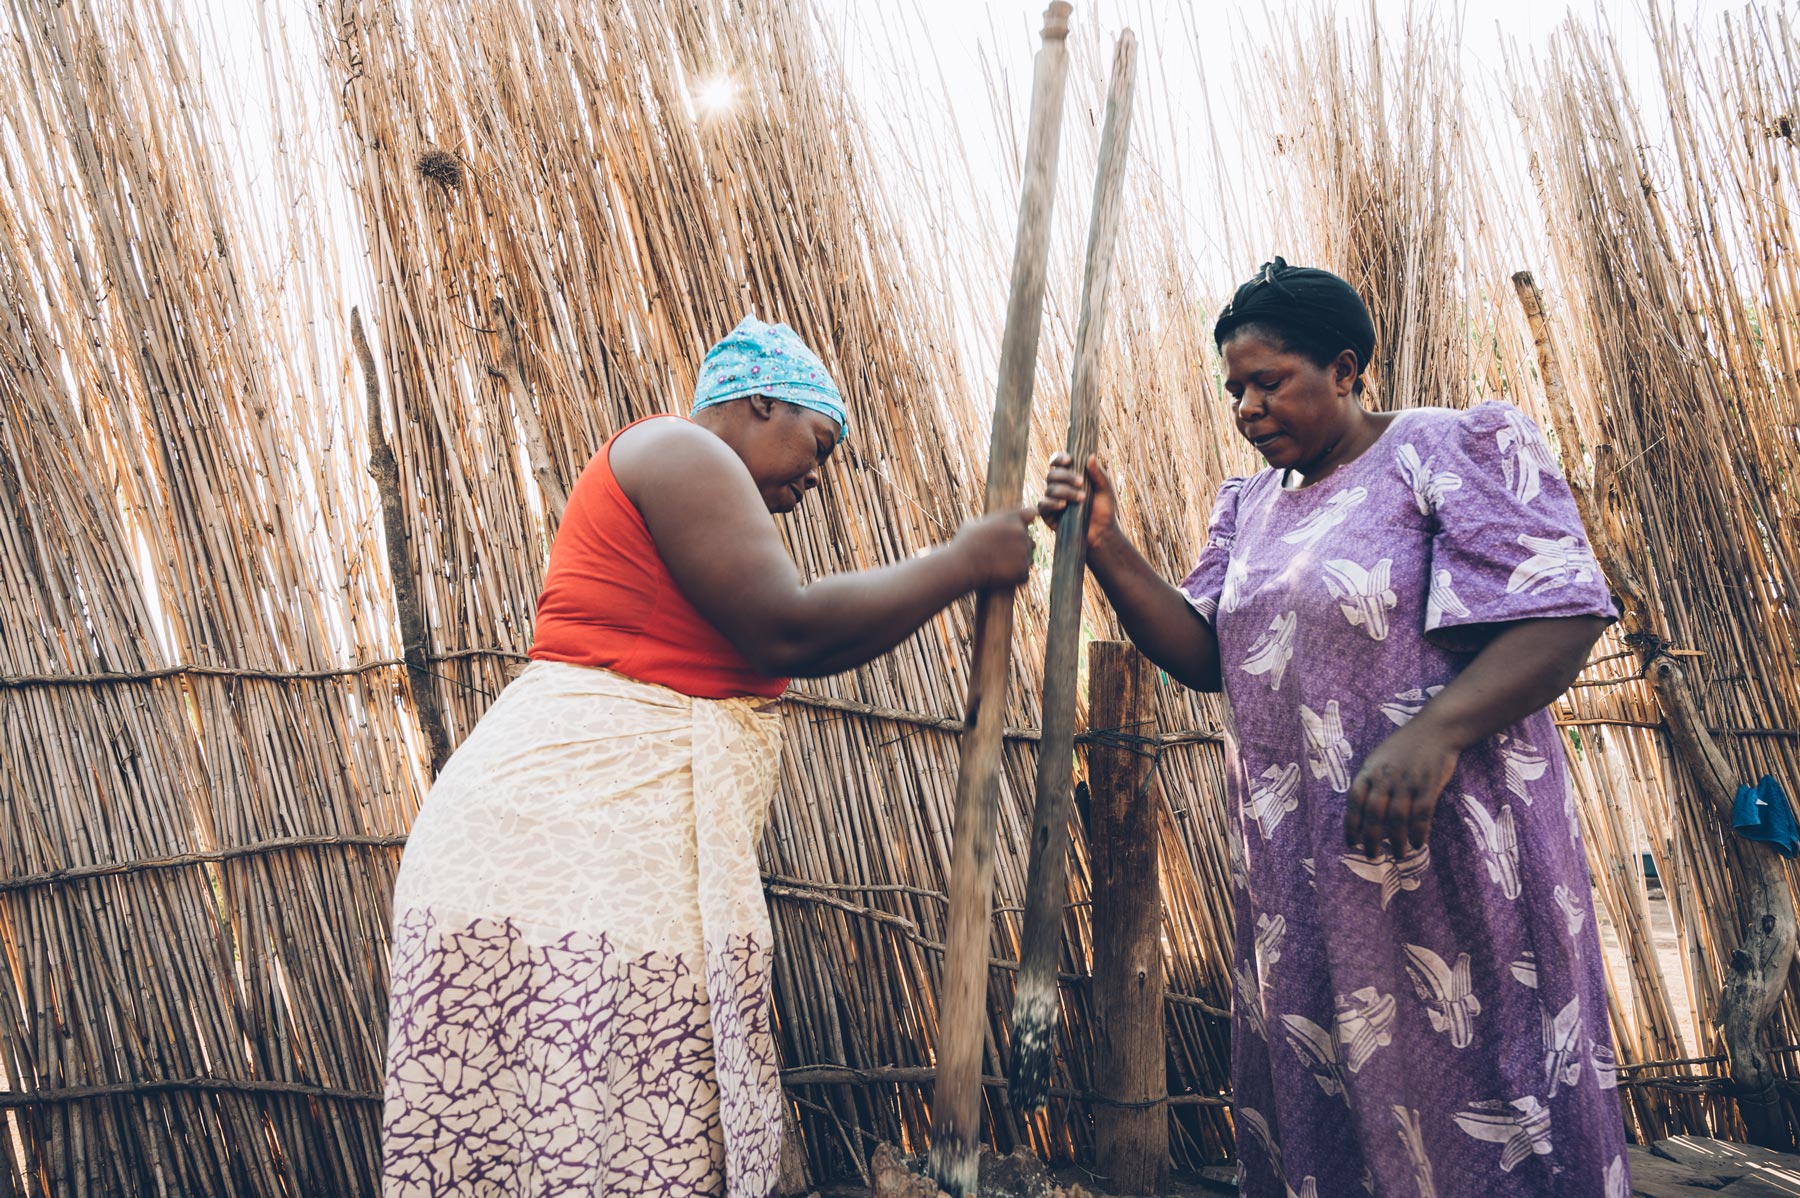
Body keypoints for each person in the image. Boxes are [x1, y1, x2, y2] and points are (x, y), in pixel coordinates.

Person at [381, 315, 1035, 1195]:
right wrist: (960, 561)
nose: (819, 473)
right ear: (762, 399)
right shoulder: (677, 450)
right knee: (592, 1137)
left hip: (578, 860)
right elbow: (787, 629)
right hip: (554, 858)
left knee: (604, 1136)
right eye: (818, 441)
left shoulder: (694, 481)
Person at [1040, 260, 1627, 1197]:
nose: (1246, 407)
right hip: (1308, 870)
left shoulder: (1447, 448)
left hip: (1446, 857)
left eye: (1269, 382)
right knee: (1340, 1099)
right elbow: (1205, 656)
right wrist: (1105, 541)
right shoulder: (1250, 507)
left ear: (1346, 368)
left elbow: (1562, 615)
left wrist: (1433, 734)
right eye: (1235, 388)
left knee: (1486, 1091)